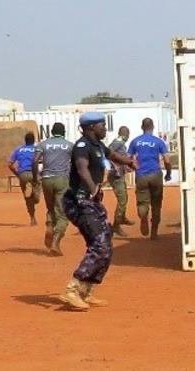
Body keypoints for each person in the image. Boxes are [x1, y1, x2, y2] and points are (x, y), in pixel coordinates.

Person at [57, 112, 136, 311]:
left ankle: (86, 291)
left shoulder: (98, 145)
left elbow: (113, 155)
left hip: (91, 202)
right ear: (91, 127)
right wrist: (93, 189)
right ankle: (72, 289)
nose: (105, 129)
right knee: (99, 244)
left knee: (106, 243)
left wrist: (128, 162)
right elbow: (82, 169)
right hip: (80, 201)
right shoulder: (82, 146)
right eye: (102, 125)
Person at [128, 118, 172, 239]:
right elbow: (167, 160)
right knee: (156, 204)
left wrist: (133, 166)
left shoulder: (135, 141)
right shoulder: (158, 142)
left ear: (142, 127)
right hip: (155, 174)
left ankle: (143, 217)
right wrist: (168, 173)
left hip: (141, 175)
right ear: (152, 127)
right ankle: (154, 233)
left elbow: (128, 157)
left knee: (142, 202)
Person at [35, 122, 74, 256]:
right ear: (64, 132)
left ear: (51, 132)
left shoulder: (43, 144)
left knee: (51, 207)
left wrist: (35, 177)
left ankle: (50, 226)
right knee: (62, 213)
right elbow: (76, 163)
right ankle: (55, 243)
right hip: (62, 179)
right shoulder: (69, 145)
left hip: (46, 179)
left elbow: (35, 161)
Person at [8, 132, 42, 226]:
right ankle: (35, 196)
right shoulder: (36, 149)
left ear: (25, 140)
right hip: (33, 173)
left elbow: (10, 164)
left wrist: (17, 174)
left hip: (22, 174)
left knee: (28, 199)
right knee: (37, 192)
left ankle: (32, 218)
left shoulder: (18, 149)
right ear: (34, 141)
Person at [106, 126, 134, 236]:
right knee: (122, 200)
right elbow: (109, 153)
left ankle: (122, 218)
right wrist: (115, 166)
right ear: (125, 134)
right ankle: (116, 226)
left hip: (119, 175)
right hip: (116, 176)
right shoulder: (118, 143)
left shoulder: (120, 143)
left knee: (124, 198)